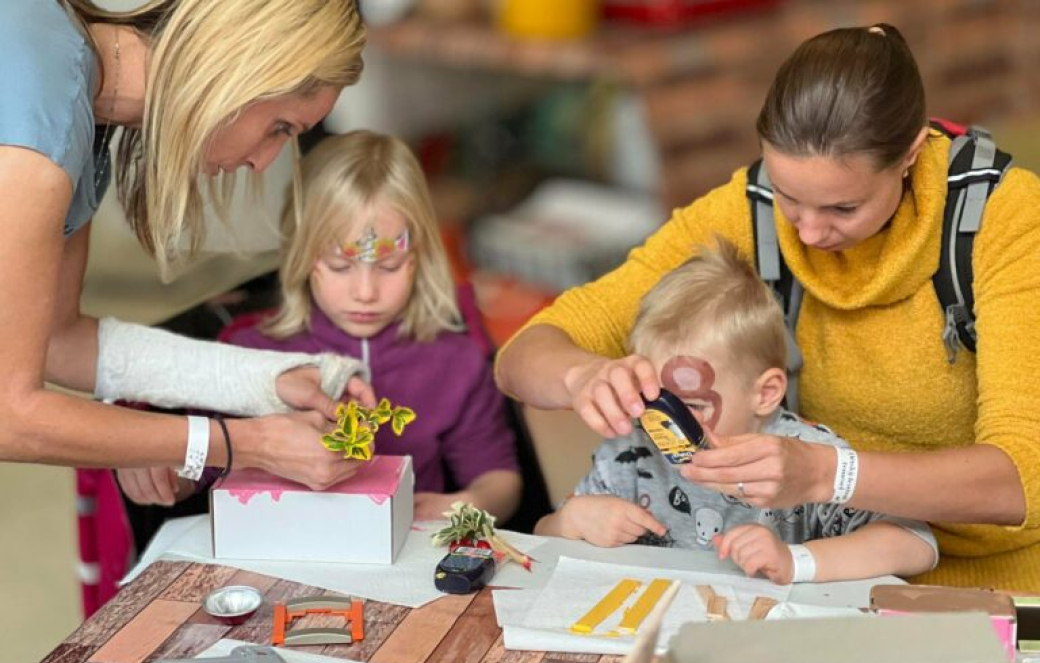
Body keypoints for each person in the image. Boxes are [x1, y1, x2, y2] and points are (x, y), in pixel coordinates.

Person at [498, 24, 1040, 590]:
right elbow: (523, 355)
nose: (806, 231)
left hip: (991, 580)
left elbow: (1022, 479)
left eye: (842, 207)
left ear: (909, 154)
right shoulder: (751, 210)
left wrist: (827, 474)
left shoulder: (1003, 219)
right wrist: (582, 374)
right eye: (789, 196)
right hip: (821, 576)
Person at [0, 0, 375, 494]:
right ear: (238, 68)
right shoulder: (43, 138)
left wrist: (269, 381)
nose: (264, 162)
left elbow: (56, 343)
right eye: (281, 128)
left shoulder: (81, 111)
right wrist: (244, 443)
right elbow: (11, 413)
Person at [123, 131, 523, 521]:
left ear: (422, 258)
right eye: (340, 265)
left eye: (388, 266)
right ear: (301, 254)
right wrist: (163, 474)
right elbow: (200, 471)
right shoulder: (248, 356)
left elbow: (499, 479)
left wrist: (469, 504)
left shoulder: (456, 361)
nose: (365, 291)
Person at [535, 241, 938, 584]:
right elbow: (541, 536)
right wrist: (572, 522)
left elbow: (916, 545)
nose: (664, 425)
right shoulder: (633, 453)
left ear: (765, 393)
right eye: (651, 399)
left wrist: (794, 560)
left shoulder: (805, 457)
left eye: (689, 406)